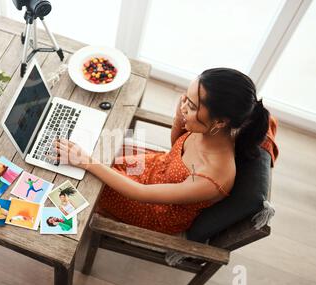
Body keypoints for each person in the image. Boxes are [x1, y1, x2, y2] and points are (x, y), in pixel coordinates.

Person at [51, 68, 279, 235]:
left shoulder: (212, 178)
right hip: (156, 169)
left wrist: (86, 162)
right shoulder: (212, 130)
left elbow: (140, 194)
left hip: (152, 208)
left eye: (191, 105)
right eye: (185, 99)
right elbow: (176, 149)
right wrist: (180, 118)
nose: (184, 106)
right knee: (90, 158)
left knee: (77, 182)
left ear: (220, 121)